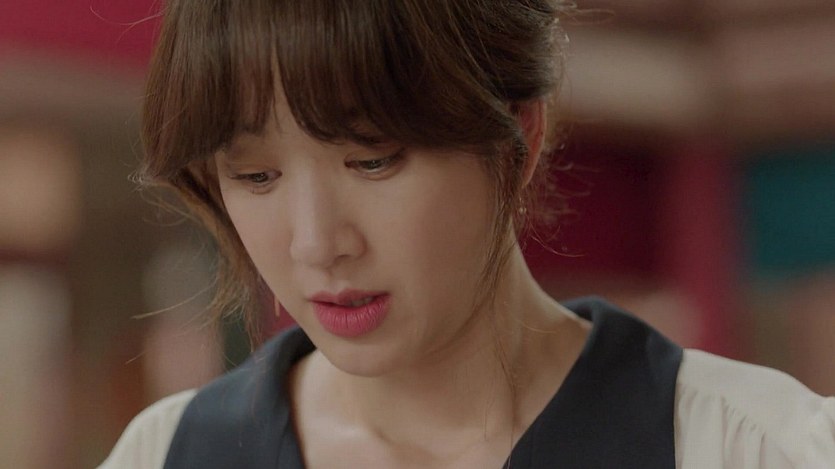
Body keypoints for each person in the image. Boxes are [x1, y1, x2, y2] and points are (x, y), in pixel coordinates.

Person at [100, 1, 835, 468]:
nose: (317, 243)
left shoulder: (751, 447)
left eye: (373, 160)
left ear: (519, 135)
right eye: (256, 176)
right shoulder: (168, 453)